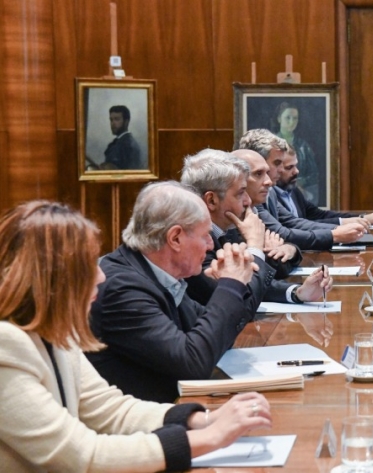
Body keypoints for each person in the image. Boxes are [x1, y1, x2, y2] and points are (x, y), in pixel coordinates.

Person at [0, 200, 272, 472]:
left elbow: (110, 410)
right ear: (51, 278)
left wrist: (203, 419)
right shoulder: (7, 345)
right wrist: (210, 437)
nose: (99, 277)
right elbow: (83, 455)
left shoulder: (55, 332)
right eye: (86, 265)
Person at [87, 181, 324, 402]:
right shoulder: (122, 287)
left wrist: (226, 287)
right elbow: (192, 362)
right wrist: (231, 285)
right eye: (205, 236)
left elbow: (220, 337)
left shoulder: (157, 271)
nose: (211, 245)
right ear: (175, 238)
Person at [180, 148, 330, 307]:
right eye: (240, 193)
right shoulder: (192, 244)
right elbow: (242, 299)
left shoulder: (230, 228)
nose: (248, 201)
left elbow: (258, 278)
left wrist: (297, 293)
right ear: (211, 201)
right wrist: (255, 245)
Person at [238, 128, 366, 250]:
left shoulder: (270, 192)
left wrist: (339, 229)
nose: (281, 169)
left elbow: (292, 222)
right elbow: (281, 233)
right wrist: (334, 235)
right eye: (277, 163)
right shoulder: (246, 198)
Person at [276, 146, 373, 226]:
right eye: (289, 168)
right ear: (275, 169)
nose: (297, 171)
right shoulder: (270, 197)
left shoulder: (293, 190)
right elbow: (299, 225)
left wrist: (362, 218)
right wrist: (346, 223)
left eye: (296, 166)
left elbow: (319, 215)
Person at [271, 102, 320, 203]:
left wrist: (300, 182)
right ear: (279, 119)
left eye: (295, 118)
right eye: (287, 118)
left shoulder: (303, 146)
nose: (291, 122)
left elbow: (314, 174)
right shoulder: (270, 144)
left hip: (301, 195)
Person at [103, 105, 142, 170]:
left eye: (117, 119)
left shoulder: (128, 144)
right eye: (111, 120)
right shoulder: (118, 142)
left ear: (126, 122)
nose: (113, 123)